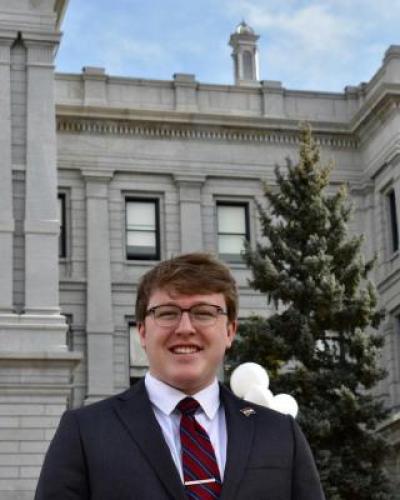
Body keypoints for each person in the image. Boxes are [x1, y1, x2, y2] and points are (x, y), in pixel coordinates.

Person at [35, 252, 325, 500]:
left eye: (203, 312)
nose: (185, 327)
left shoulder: (280, 434)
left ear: (230, 331)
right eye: (167, 313)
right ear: (143, 331)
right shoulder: (85, 433)